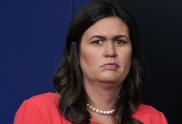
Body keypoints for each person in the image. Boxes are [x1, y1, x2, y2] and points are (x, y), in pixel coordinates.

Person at [14, 0, 168, 124]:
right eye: (97, 41)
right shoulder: (40, 110)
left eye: (120, 42)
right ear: (76, 52)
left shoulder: (153, 119)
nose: (110, 52)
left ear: (132, 53)